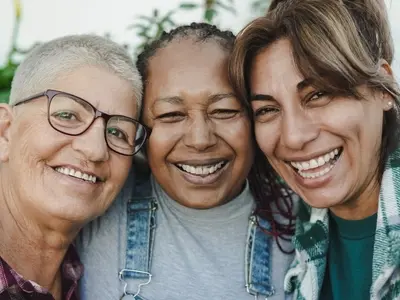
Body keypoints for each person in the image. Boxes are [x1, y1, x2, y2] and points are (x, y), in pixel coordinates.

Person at [78, 23, 296, 300]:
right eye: (171, 115)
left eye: (224, 110)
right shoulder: (95, 207)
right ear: (140, 128)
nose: (200, 139)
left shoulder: (305, 229)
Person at [229, 0, 400, 299]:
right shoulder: (286, 234)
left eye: (319, 94)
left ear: (383, 87)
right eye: (267, 109)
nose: (294, 137)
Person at [0, 34, 148, 299]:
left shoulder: (89, 272)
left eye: (117, 133)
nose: (95, 150)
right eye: (67, 116)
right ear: (4, 131)